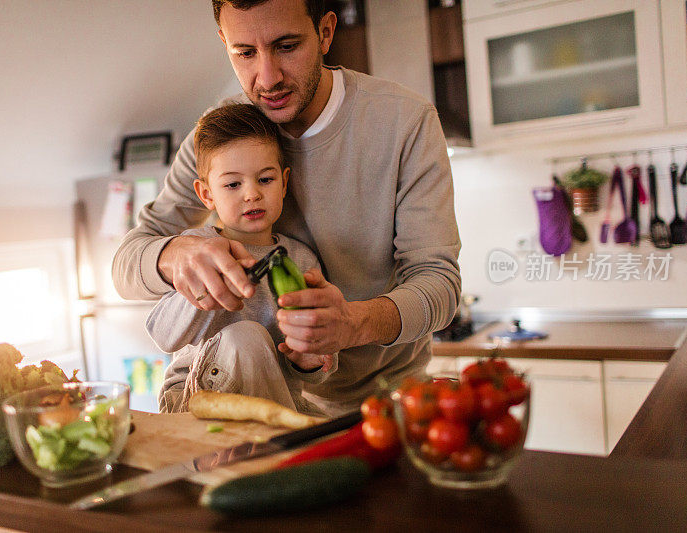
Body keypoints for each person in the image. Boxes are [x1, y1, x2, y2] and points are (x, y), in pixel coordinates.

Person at [113, 0, 462, 416]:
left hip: (382, 402)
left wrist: (353, 323)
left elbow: (438, 284)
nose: (267, 77)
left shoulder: (405, 123)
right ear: (224, 42)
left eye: (286, 46)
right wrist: (175, 255)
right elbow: (126, 265)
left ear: (326, 32)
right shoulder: (217, 136)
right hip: (238, 396)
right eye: (245, 53)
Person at [146, 103, 335, 414]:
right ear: (207, 195)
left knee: (325, 426)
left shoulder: (301, 259)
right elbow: (164, 337)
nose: (251, 194)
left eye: (265, 180)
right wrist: (206, 290)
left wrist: (310, 359)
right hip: (193, 398)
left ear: (284, 183)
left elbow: (318, 370)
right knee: (246, 336)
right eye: (233, 184)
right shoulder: (198, 249)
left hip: (274, 399)